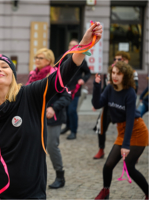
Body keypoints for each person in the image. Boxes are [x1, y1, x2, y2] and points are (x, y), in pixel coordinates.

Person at [0, 22, 102, 199]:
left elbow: (64, 72)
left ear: (12, 75)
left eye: (4, 66)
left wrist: (84, 43)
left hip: (31, 194)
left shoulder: (31, 94)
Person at [92, 62, 149, 200]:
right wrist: (96, 86)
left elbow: (130, 119)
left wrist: (125, 145)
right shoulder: (110, 88)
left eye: (119, 73)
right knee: (108, 165)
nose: (115, 76)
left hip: (137, 130)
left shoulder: (129, 92)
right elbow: (97, 104)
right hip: (122, 131)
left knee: (129, 167)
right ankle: (105, 191)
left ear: (126, 76)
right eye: (114, 73)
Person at [26, 48, 71, 189]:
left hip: (52, 118)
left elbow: (66, 96)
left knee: (51, 146)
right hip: (35, 118)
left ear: (49, 61)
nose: (37, 60)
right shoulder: (33, 75)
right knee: (34, 147)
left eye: (40, 57)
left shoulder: (55, 75)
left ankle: (60, 176)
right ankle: (34, 177)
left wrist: (53, 107)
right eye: (36, 57)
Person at [92, 51, 139, 159]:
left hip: (122, 107)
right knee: (100, 127)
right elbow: (101, 96)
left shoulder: (132, 73)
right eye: (115, 59)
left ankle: (134, 152)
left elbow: (134, 89)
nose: (116, 61)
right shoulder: (111, 73)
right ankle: (101, 149)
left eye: (120, 59)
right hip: (109, 105)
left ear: (126, 61)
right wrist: (97, 89)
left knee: (128, 128)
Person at [60, 39, 91, 140]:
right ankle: (68, 127)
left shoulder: (81, 60)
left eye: (74, 45)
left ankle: (74, 131)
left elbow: (88, 73)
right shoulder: (64, 57)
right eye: (70, 45)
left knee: (72, 111)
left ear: (78, 47)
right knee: (66, 109)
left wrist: (83, 79)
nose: (72, 47)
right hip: (64, 89)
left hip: (75, 89)